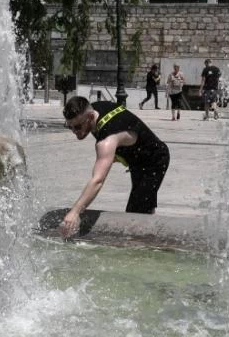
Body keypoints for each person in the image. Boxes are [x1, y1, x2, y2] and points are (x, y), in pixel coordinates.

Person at [59, 96, 170, 238]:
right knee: (143, 207)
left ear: (91, 116)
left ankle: (151, 246)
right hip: (137, 160)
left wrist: (74, 212)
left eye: (77, 126)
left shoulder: (107, 140)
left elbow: (97, 181)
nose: (74, 131)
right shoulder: (95, 108)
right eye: (69, 126)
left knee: (135, 215)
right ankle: (151, 234)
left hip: (154, 161)